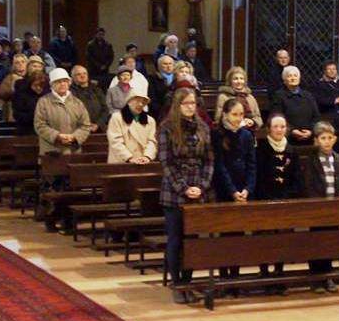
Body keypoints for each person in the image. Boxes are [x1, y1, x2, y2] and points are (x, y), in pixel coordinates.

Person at [158, 87, 214, 303]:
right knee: (176, 239)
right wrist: (183, 188)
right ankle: (177, 284)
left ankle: (188, 282)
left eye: (194, 103)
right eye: (187, 103)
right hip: (174, 192)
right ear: (178, 105)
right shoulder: (167, 128)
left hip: (198, 189)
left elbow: (209, 160)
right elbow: (167, 163)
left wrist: (202, 185)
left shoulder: (203, 127)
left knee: (192, 240)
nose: (191, 107)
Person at [34, 68, 91, 231]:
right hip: (52, 153)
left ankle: (68, 221)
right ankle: (51, 220)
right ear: (52, 84)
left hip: (72, 152)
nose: (63, 84)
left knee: (70, 188)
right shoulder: (44, 102)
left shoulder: (77, 103)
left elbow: (85, 125)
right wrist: (57, 136)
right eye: (59, 82)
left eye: (65, 81)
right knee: (52, 188)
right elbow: (40, 125)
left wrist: (75, 137)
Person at [256, 114, 303, 292]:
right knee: (265, 239)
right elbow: (258, 176)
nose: (279, 130)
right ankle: (265, 274)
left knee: (282, 239)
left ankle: (279, 273)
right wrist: (267, 198)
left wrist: (287, 196)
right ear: (269, 129)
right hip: (265, 201)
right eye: (275, 126)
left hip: (285, 201)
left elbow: (297, 178)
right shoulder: (261, 149)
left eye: (282, 127)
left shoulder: (292, 150)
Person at [213, 98, 257, 289]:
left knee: (238, 236)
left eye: (241, 115)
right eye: (234, 114)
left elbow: (252, 164)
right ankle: (224, 278)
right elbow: (219, 165)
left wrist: (248, 188)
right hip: (225, 190)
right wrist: (232, 191)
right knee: (225, 236)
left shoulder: (246, 135)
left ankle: (236, 278)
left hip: (243, 189)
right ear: (225, 114)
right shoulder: (218, 134)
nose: (238, 118)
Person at [304, 121, 339, 293]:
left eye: (329, 138)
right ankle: (316, 279)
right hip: (318, 210)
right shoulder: (312, 160)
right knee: (316, 243)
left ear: (334, 139)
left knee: (330, 243)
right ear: (317, 140)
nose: (326, 141)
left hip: (334, 210)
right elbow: (309, 185)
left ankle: (328, 276)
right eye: (323, 138)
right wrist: (320, 205)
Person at [271, 65, 320, 145]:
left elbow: (316, 117)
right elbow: (277, 117)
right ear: (284, 80)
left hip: (309, 136)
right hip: (288, 137)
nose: (293, 78)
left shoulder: (308, 96)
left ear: (299, 79)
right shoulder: (279, 96)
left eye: (295, 75)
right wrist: (292, 131)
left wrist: (311, 131)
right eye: (289, 76)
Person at [107, 92, 157, 164]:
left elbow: (152, 141)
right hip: (120, 162)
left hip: (144, 162)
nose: (140, 104)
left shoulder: (150, 121)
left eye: (143, 102)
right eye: (137, 101)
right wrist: (129, 158)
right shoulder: (116, 118)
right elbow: (115, 141)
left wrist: (147, 156)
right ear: (129, 101)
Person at [216, 66, 262, 133]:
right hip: (230, 132)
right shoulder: (224, 97)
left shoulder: (250, 98)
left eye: (241, 79)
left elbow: (258, 118)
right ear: (230, 81)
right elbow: (219, 119)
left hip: (249, 130)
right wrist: (237, 125)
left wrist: (253, 122)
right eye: (235, 79)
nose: (239, 81)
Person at [71, 65, 109, 132]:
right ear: (73, 77)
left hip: (100, 127)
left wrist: (97, 124)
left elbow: (105, 108)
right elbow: (72, 112)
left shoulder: (97, 89)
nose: (82, 76)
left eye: (84, 73)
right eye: (78, 74)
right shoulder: (70, 92)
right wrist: (86, 125)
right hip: (80, 129)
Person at [12, 70, 49, 136]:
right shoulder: (21, 94)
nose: (38, 88)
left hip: (46, 130)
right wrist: (35, 117)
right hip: (26, 130)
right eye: (35, 85)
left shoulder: (48, 94)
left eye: (41, 86)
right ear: (30, 83)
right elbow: (17, 114)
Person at [0, 53, 28, 122]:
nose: (20, 64)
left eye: (23, 62)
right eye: (17, 63)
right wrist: (14, 86)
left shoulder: (31, 78)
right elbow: (2, 94)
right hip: (12, 111)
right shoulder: (9, 78)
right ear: (14, 66)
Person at [148, 55, 176, 120]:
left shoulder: (178, 77)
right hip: (159, 113)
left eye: (170, 64)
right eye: (165, 64)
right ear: (159, 66)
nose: (168, 66)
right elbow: (152, 99)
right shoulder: (152, 79)